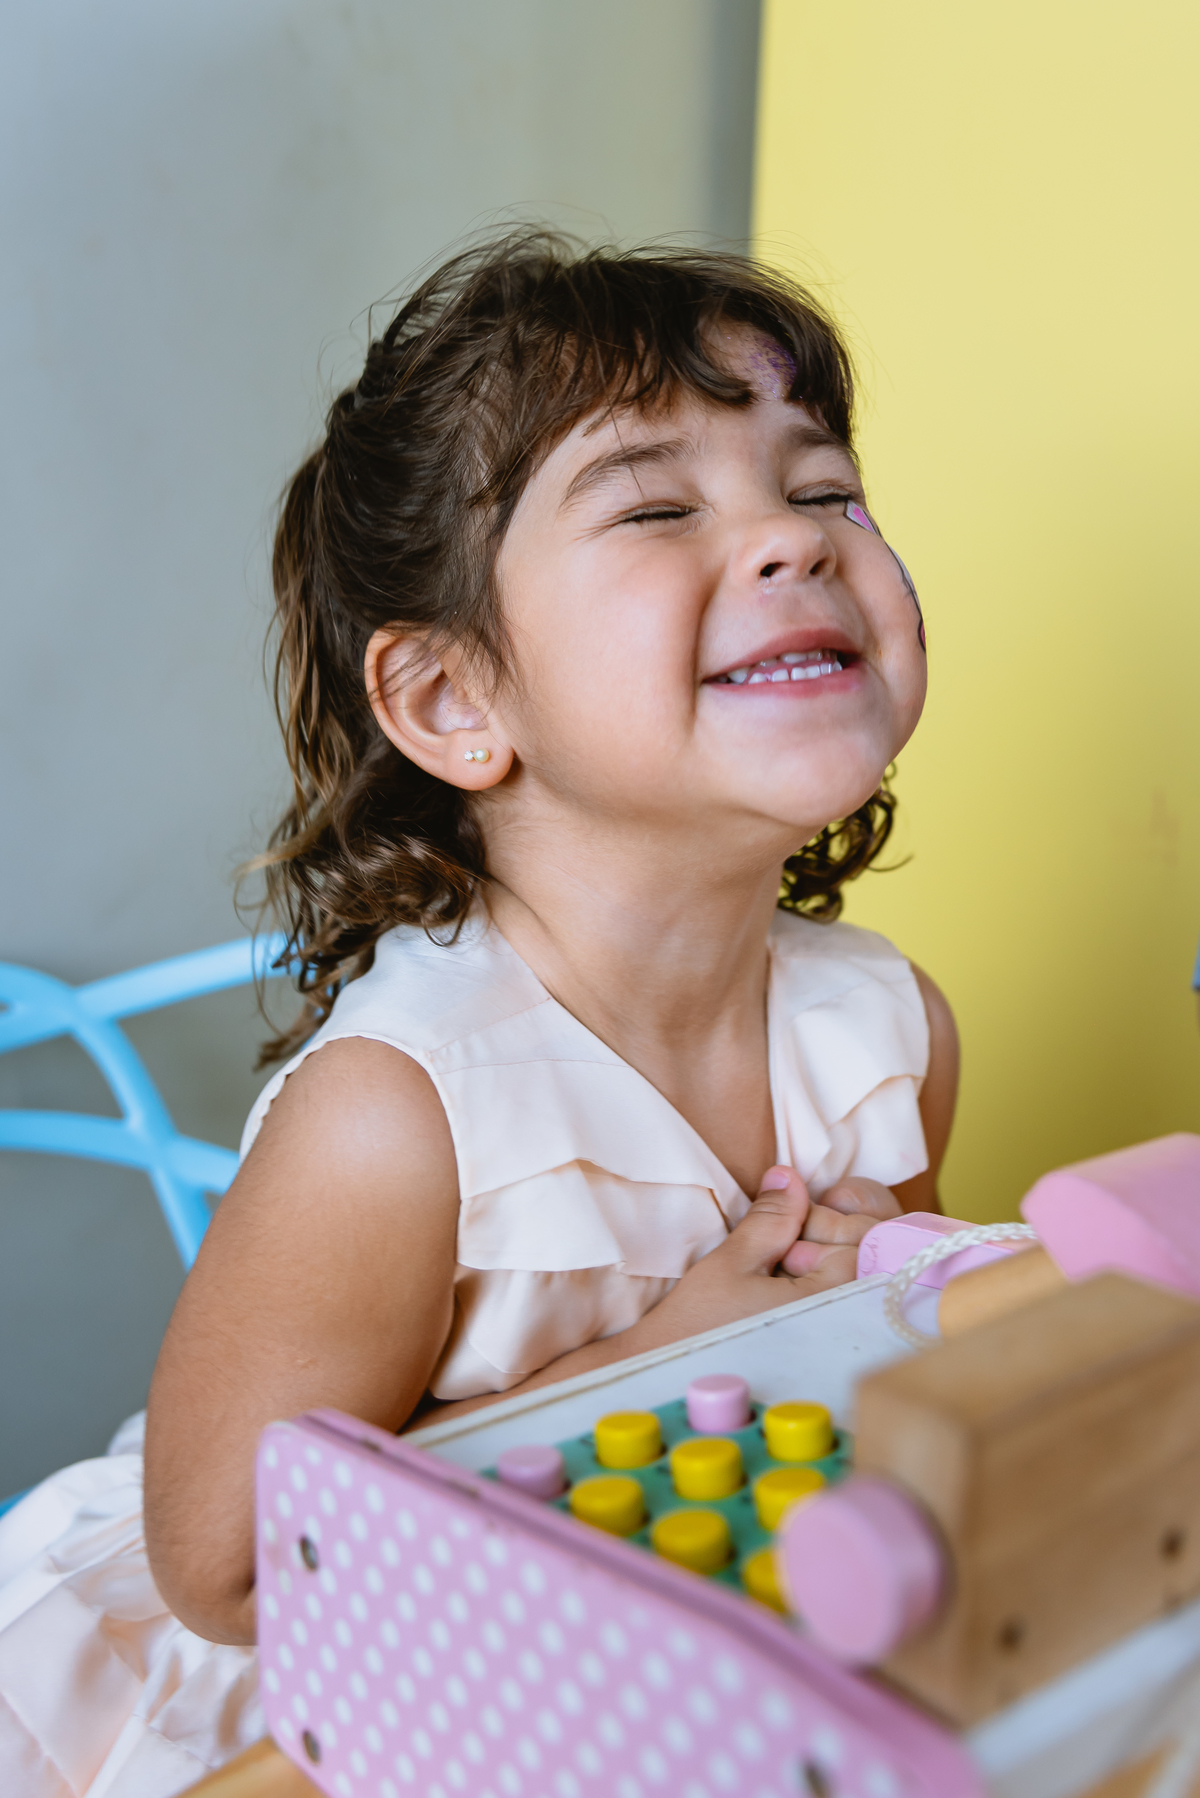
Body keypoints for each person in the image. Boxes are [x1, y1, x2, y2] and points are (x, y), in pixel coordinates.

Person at [0, 231, 958, 1795]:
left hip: (623, 1672)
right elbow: (226, 1570)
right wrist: (661, 1357)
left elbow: (869, 1393)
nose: (793, 541)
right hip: (283, 1708)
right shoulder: (396, 1117)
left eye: (824, 487)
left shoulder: (888, 1034)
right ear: (455, 701)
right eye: (657, 505)